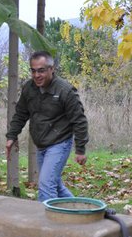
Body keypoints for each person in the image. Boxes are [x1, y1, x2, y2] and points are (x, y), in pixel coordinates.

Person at [6, 51, 89, 202]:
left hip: (60, 143)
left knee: (46, 185)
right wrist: (12, 135)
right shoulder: (29, 88)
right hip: (42, 144)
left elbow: (79, 120)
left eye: (41, 70)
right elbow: (21, 114)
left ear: (52, 69)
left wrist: (80, 149)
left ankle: (47, 224)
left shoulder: (65, 90)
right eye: (33, 70)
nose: (37, 75)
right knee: (55, 185)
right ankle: (82, 211)